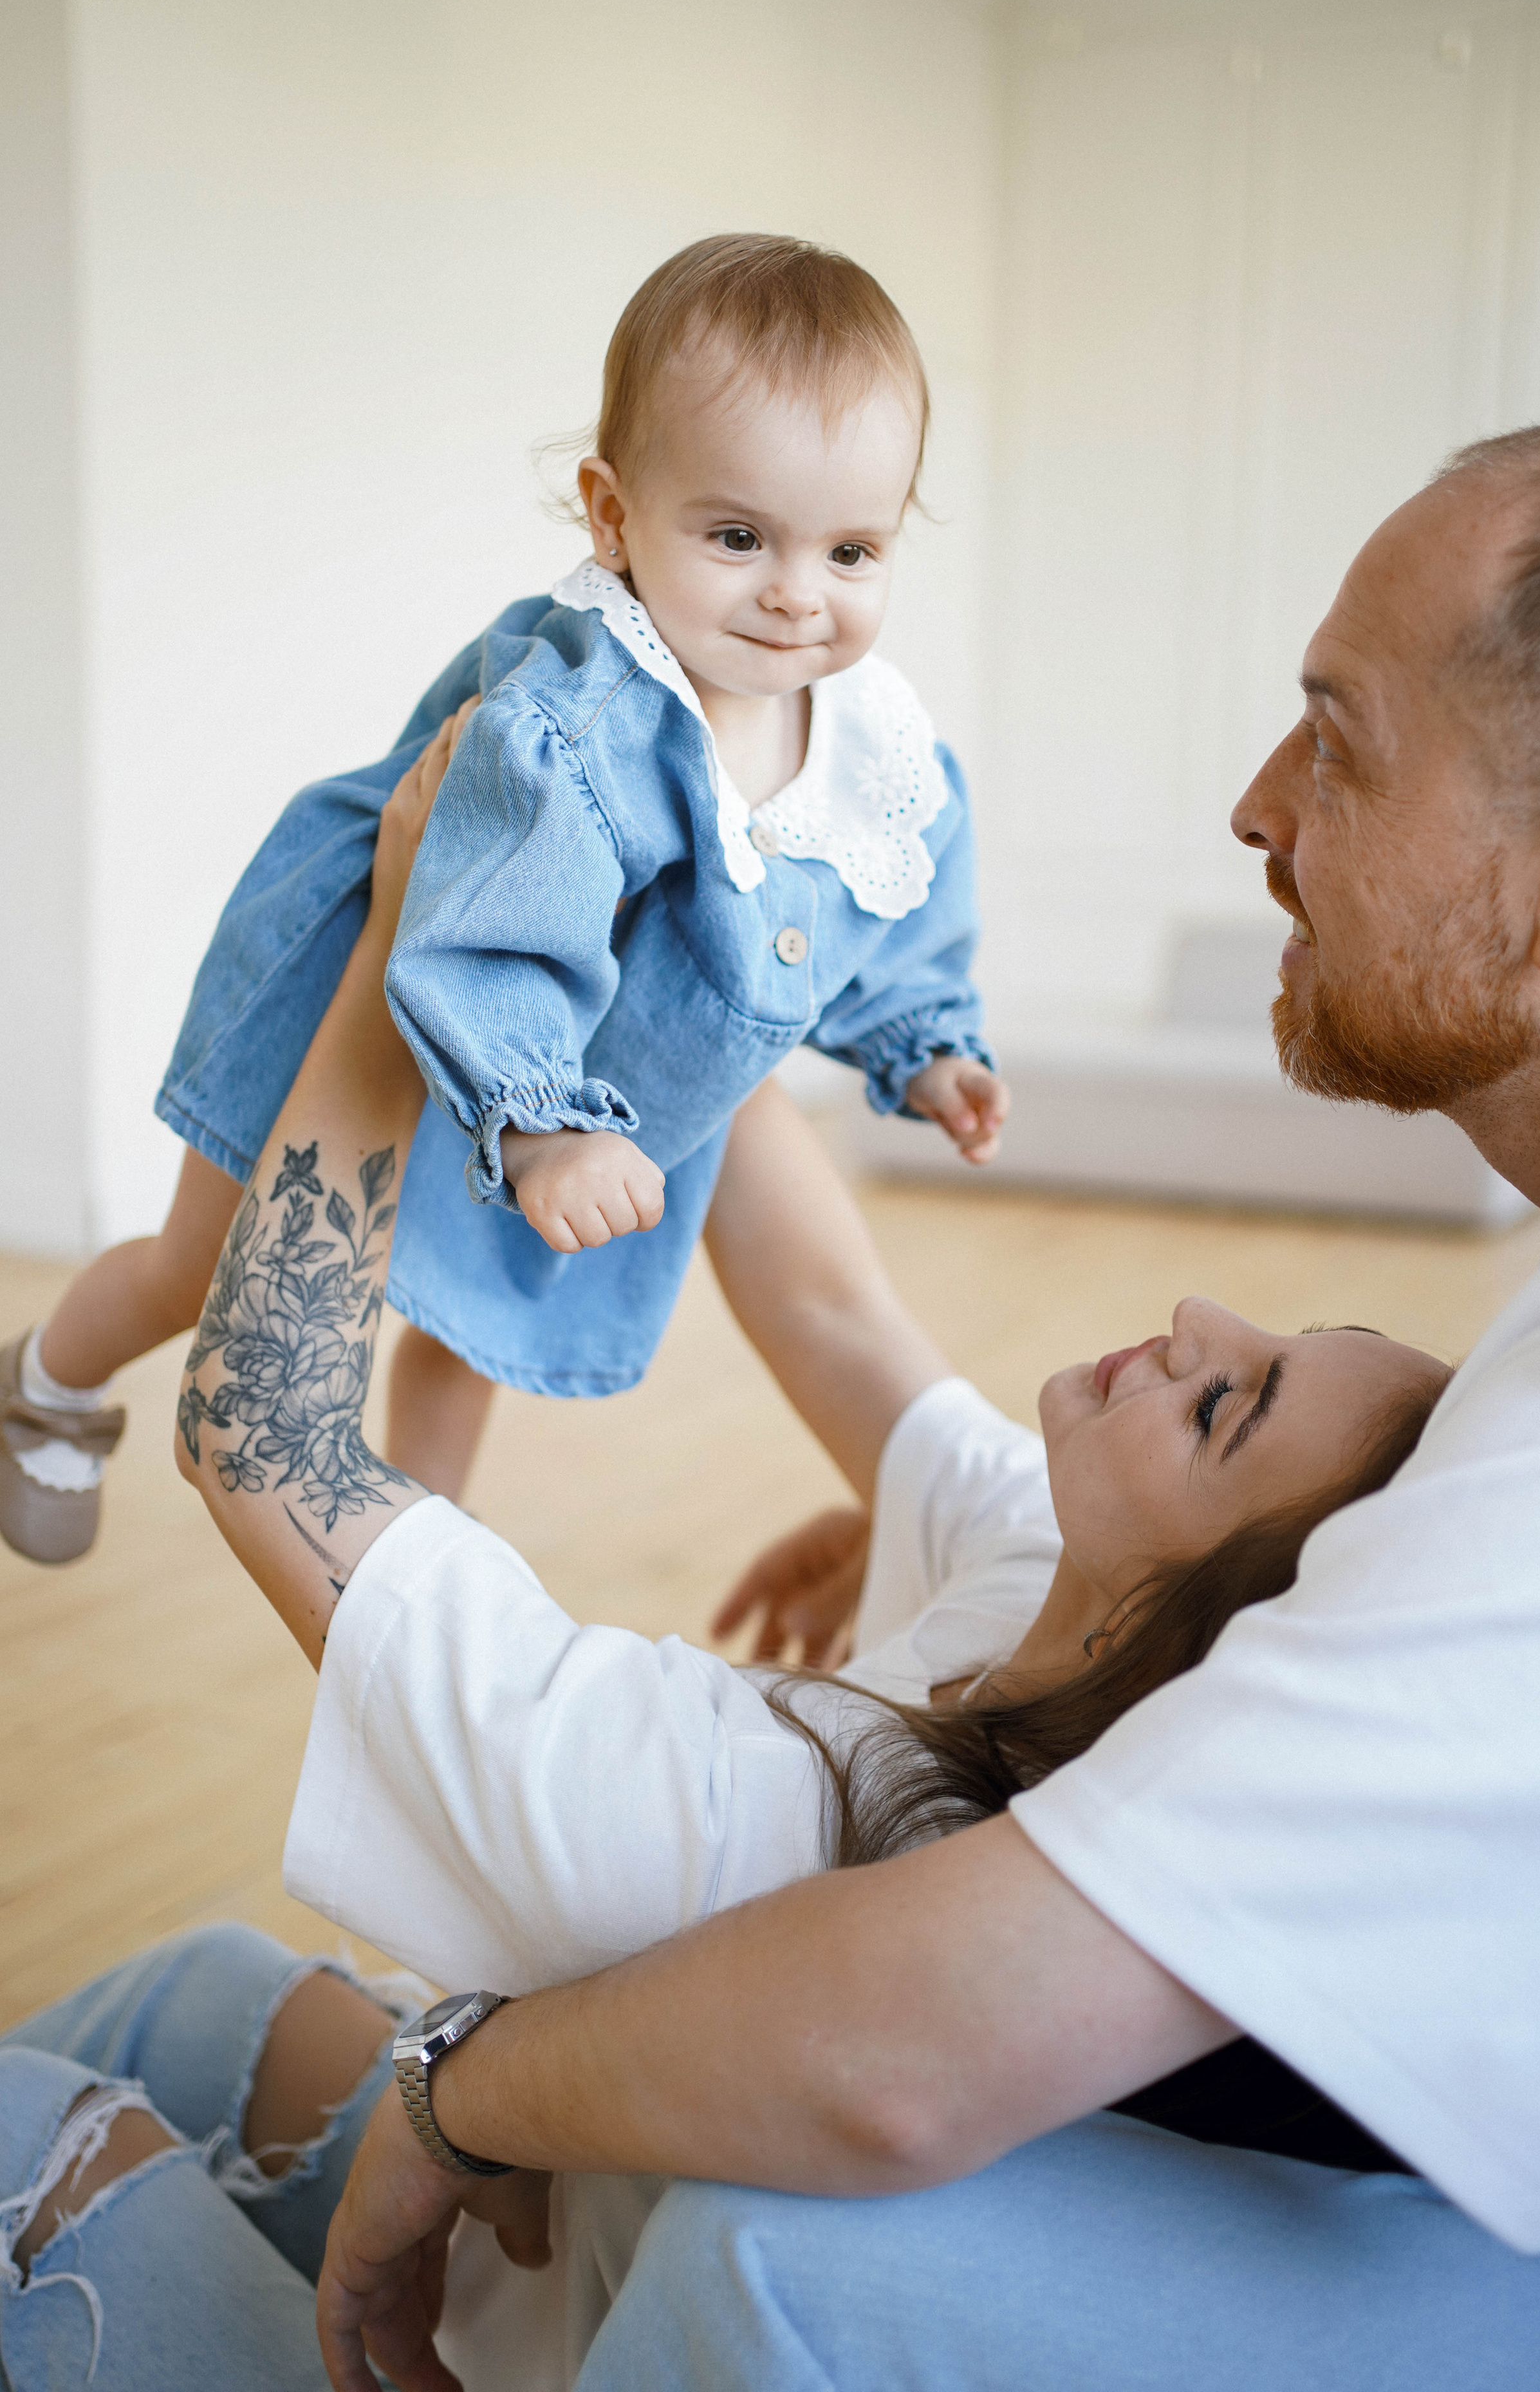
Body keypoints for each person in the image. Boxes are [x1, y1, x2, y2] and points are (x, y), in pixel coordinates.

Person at [297, 408, 1540, 2392]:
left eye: (1339, 739)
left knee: (769, 2224)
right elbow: (842, 1322)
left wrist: (451, 2091)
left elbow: (914, 2054)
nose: (1260, 807)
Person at [0, 728, 1449, 2386]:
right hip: (527, 2278)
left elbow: (262, 1428)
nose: (1200, 1320)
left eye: (1228, 1411)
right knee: (196, 1986)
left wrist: (423, 952)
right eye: (1280, 1330)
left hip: (498, 2362)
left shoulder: (743, 1820)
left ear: (1191, 1632)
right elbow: (825, 1304)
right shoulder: (1059, 1593)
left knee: (25, 2124)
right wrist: (702, 867)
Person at [0, 232, 1005, 1565]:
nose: (794, 596)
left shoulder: (870, 744)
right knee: (221, 1259)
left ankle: (414, 1557)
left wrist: (921, 1044)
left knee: (468, 1323)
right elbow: (494, 926)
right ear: (610, 514)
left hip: (578, 1066)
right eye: (735, 536)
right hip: (409, 986)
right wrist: (537, 1128)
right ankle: (47, 1381)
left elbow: (870, 909)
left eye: (852, 552)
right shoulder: (576, 716)